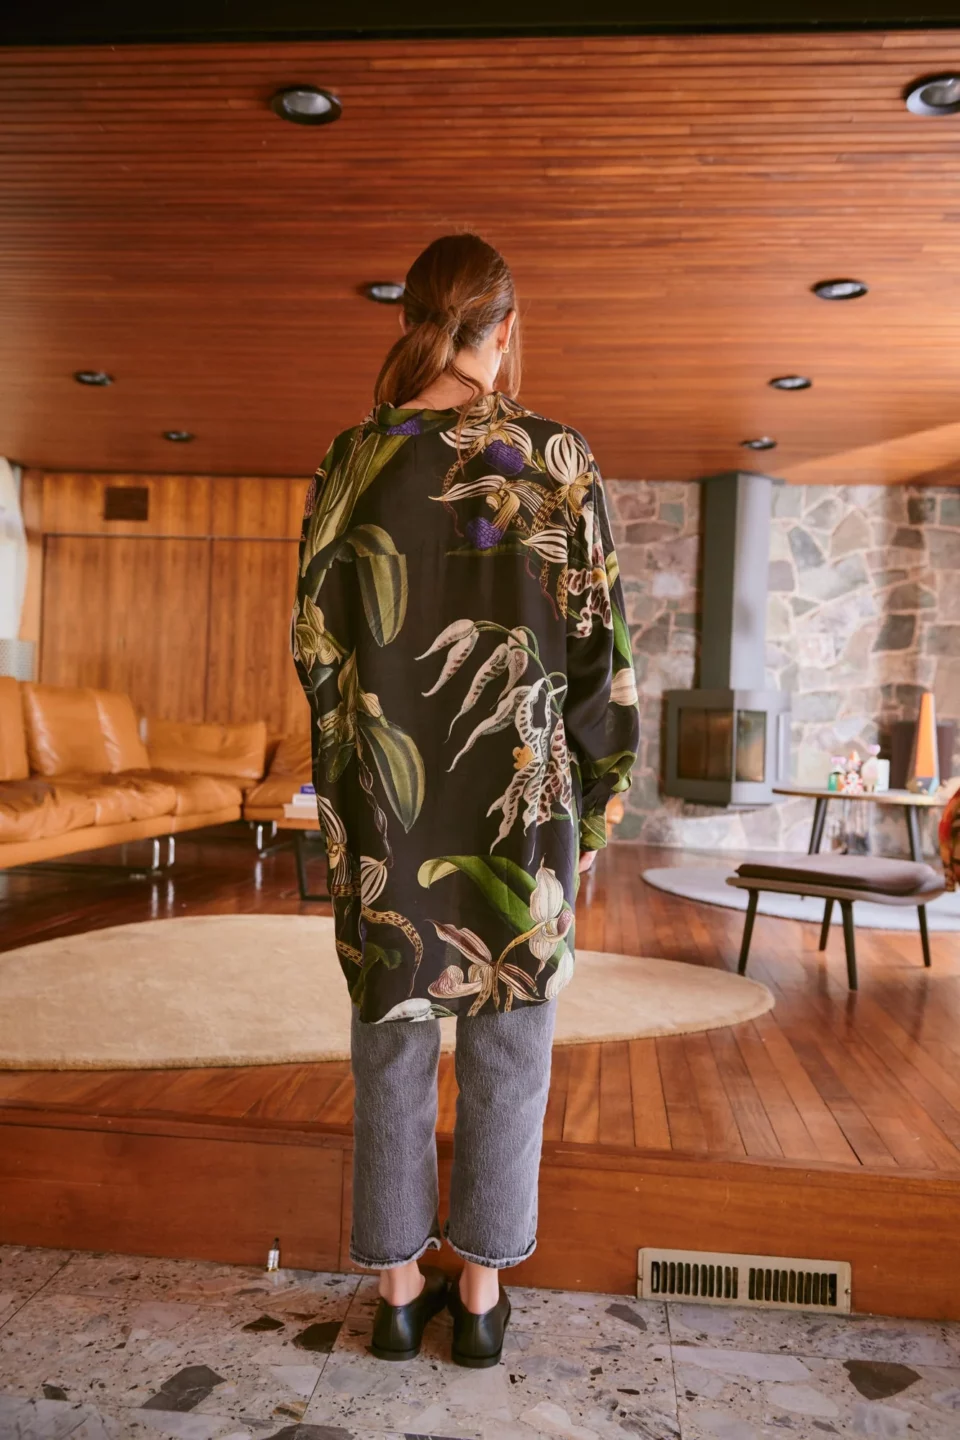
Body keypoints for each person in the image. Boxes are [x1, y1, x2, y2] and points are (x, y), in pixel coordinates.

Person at [292, 232, 640, 1368]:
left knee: (390, 1043)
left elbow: (315, 648)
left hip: (384, 800)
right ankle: (481, 1300)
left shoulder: (351, 460)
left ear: (413, 321)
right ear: (505, 328)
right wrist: (597, 804)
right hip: (521, 804)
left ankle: (398, 1296)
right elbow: (596, 649)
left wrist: (345, 787)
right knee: (511, 1045)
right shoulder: (557, 457)